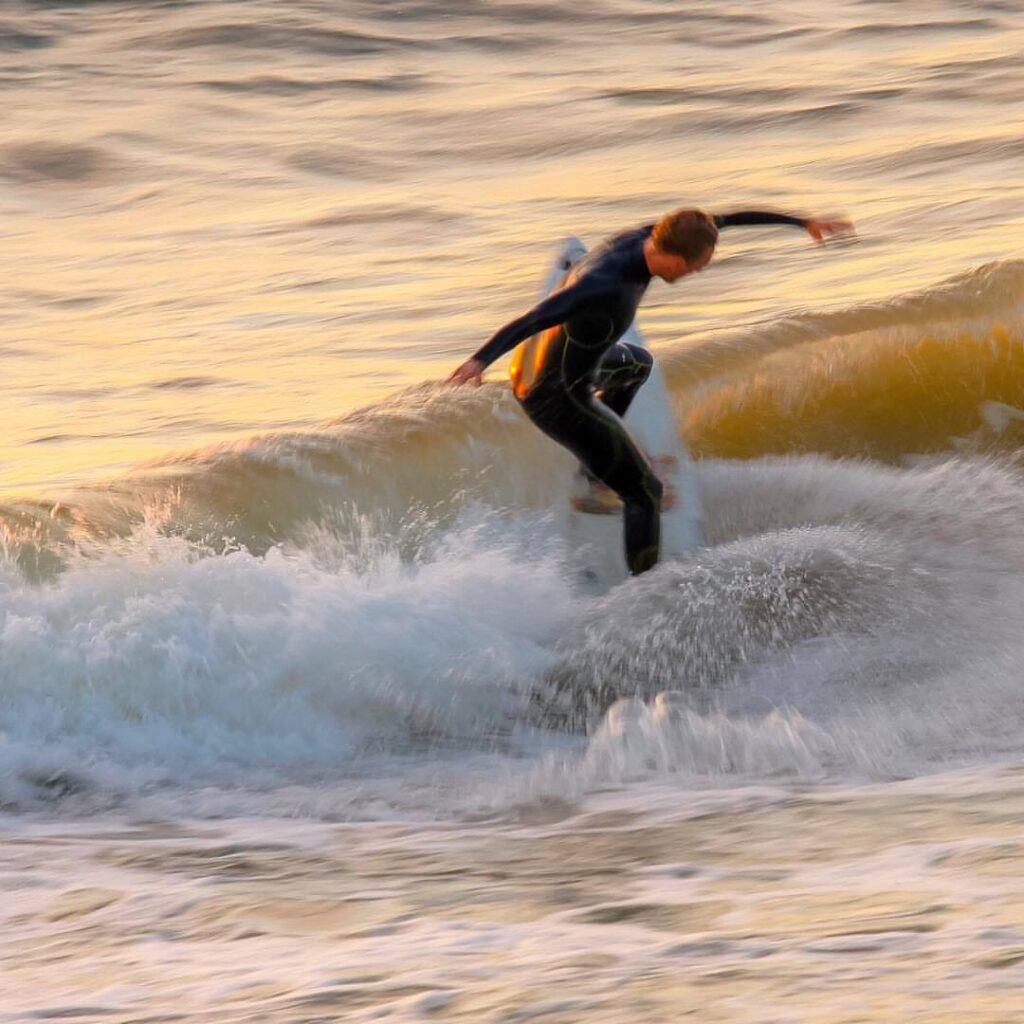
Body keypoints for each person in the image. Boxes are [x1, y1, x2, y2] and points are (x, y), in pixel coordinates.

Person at [448, 207, 854, 576]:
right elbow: (535, 317)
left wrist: (803, 223)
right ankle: (648, 592)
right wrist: (479, 361)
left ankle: (595, 474)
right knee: (646, 493)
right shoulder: (604, 286)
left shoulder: (642, 239)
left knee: (635, 364)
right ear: (677, 259)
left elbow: (727, 217)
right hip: (553, 396)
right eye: (697, 267)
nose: (697, 273)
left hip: (551, 363)